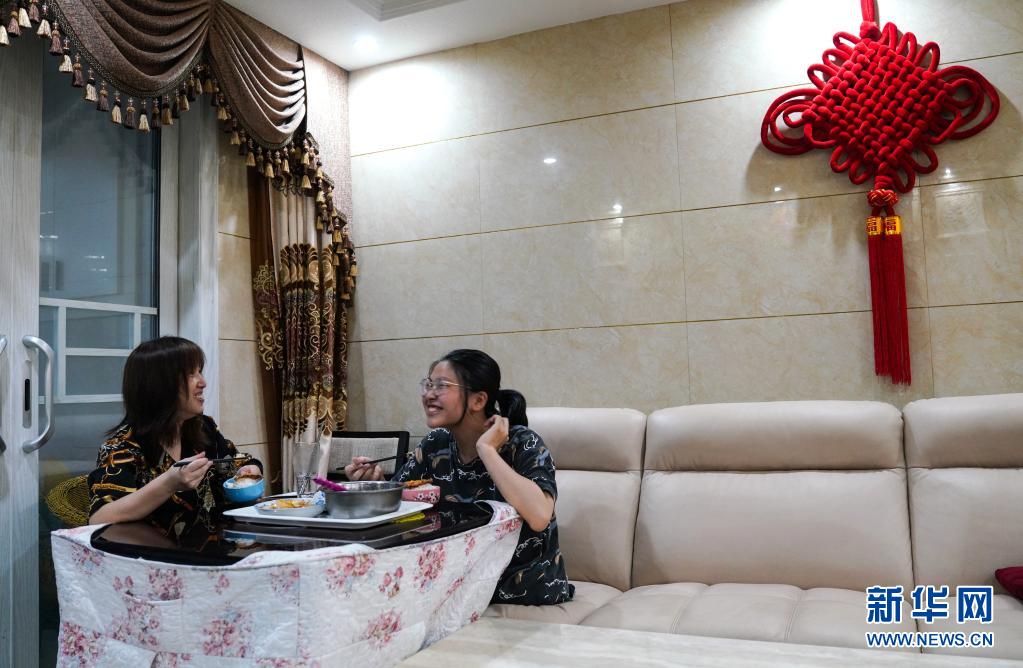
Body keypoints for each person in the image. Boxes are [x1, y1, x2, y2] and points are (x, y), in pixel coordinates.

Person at [346, 349, 574, 606]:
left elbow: (540, 516)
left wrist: (487, 450)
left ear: (478, 401)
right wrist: (374, 483)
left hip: (524, 595)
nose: (429, 394)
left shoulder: (523, 442)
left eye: (442, 385)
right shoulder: (436, 444)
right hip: (459, 590)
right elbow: (397, 506)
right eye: (428, 384)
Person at [88, 336, 261, 536]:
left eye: (200, 371)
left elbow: (238, 463)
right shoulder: (123, 447)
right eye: (191, 374)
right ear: (159, 385)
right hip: (154, 552)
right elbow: (99, 518)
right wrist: (169, 483)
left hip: (215, 546)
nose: (203, 382)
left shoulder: (204, 428)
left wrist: (250, 471)